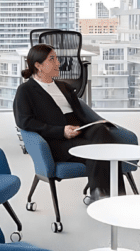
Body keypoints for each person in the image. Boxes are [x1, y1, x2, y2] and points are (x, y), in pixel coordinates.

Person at [13, 44, 121, 199]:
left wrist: (96, 123)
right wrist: (61, 131)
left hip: (79, 130)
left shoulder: (64, 86)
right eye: (52, 59)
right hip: (58, 140)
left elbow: (81, 114)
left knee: (102, 132)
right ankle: (104, 196)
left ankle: (107, 194)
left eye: (56, 58)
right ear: (38, 65)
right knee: (100, 150)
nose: (58, 63)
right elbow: (24, 122)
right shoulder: (26, 90)